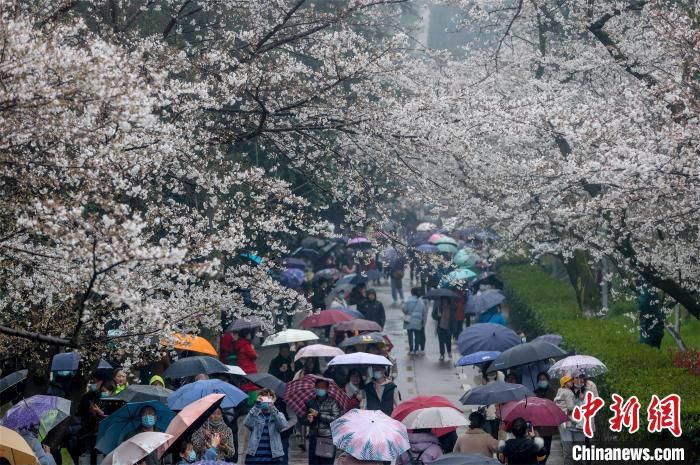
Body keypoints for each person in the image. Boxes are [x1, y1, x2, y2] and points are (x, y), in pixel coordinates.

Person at [302, 379, 340, 465]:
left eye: (322, 387)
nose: (320, 389)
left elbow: (336, 419)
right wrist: (308, 420)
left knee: (326, 463)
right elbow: (303, 421)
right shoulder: (310, 402)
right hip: (313, 438)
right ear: (315, 388)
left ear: (327, 389)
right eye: (318, 387)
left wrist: (319, 415)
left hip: (327, 438)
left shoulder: (333, 402)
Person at [244, 391, 289, 464]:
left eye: (268, 398)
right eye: (263, 398)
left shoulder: (278, 414)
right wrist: (256, 406)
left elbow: (282, 426)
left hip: (274, 458)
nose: (265, 401)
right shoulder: (255, 414)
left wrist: (273, 407)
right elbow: (247, 424)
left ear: (273, 400)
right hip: (254, 458)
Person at [554, 375, 579, 464]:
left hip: (560, 421)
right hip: (568, 421)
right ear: (565, 383)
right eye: (570, 381)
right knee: (570, 446)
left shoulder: (559, 392)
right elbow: (571, 407)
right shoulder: (569, 393)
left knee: (565, 443)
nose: (572, 382)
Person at [533, 372, 557, 464]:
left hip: (548, 426)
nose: (542, 381)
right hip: (537, 426)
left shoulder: (552, 392)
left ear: (547, 380)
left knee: (547, 450)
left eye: (544, 379)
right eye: (540, 379)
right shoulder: (534, 393)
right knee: (539, 449)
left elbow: (555, 407)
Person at [403, 287, 427, 355]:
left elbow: (405, 310)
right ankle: (416, 349)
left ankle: (411, 350)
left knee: (410, 336)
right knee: (417, 336)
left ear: (411, 293)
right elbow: (424, 311)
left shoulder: (408, 301)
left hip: (409, 321)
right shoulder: (421, 302)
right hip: (418, 322)